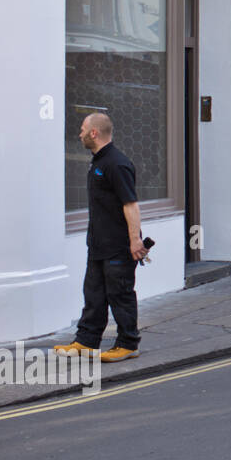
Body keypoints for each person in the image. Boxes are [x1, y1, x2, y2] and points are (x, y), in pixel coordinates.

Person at [55, 114, 148, 363]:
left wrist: (134, 241)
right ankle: (86, 341)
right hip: (98, 244)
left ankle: (128, 344)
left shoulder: (116, 164)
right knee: (94, 295)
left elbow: (131, 205)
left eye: (83, 129)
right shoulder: (99, 161)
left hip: (118, 247)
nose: (80, 134)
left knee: (121, 295)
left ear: (94, 133)